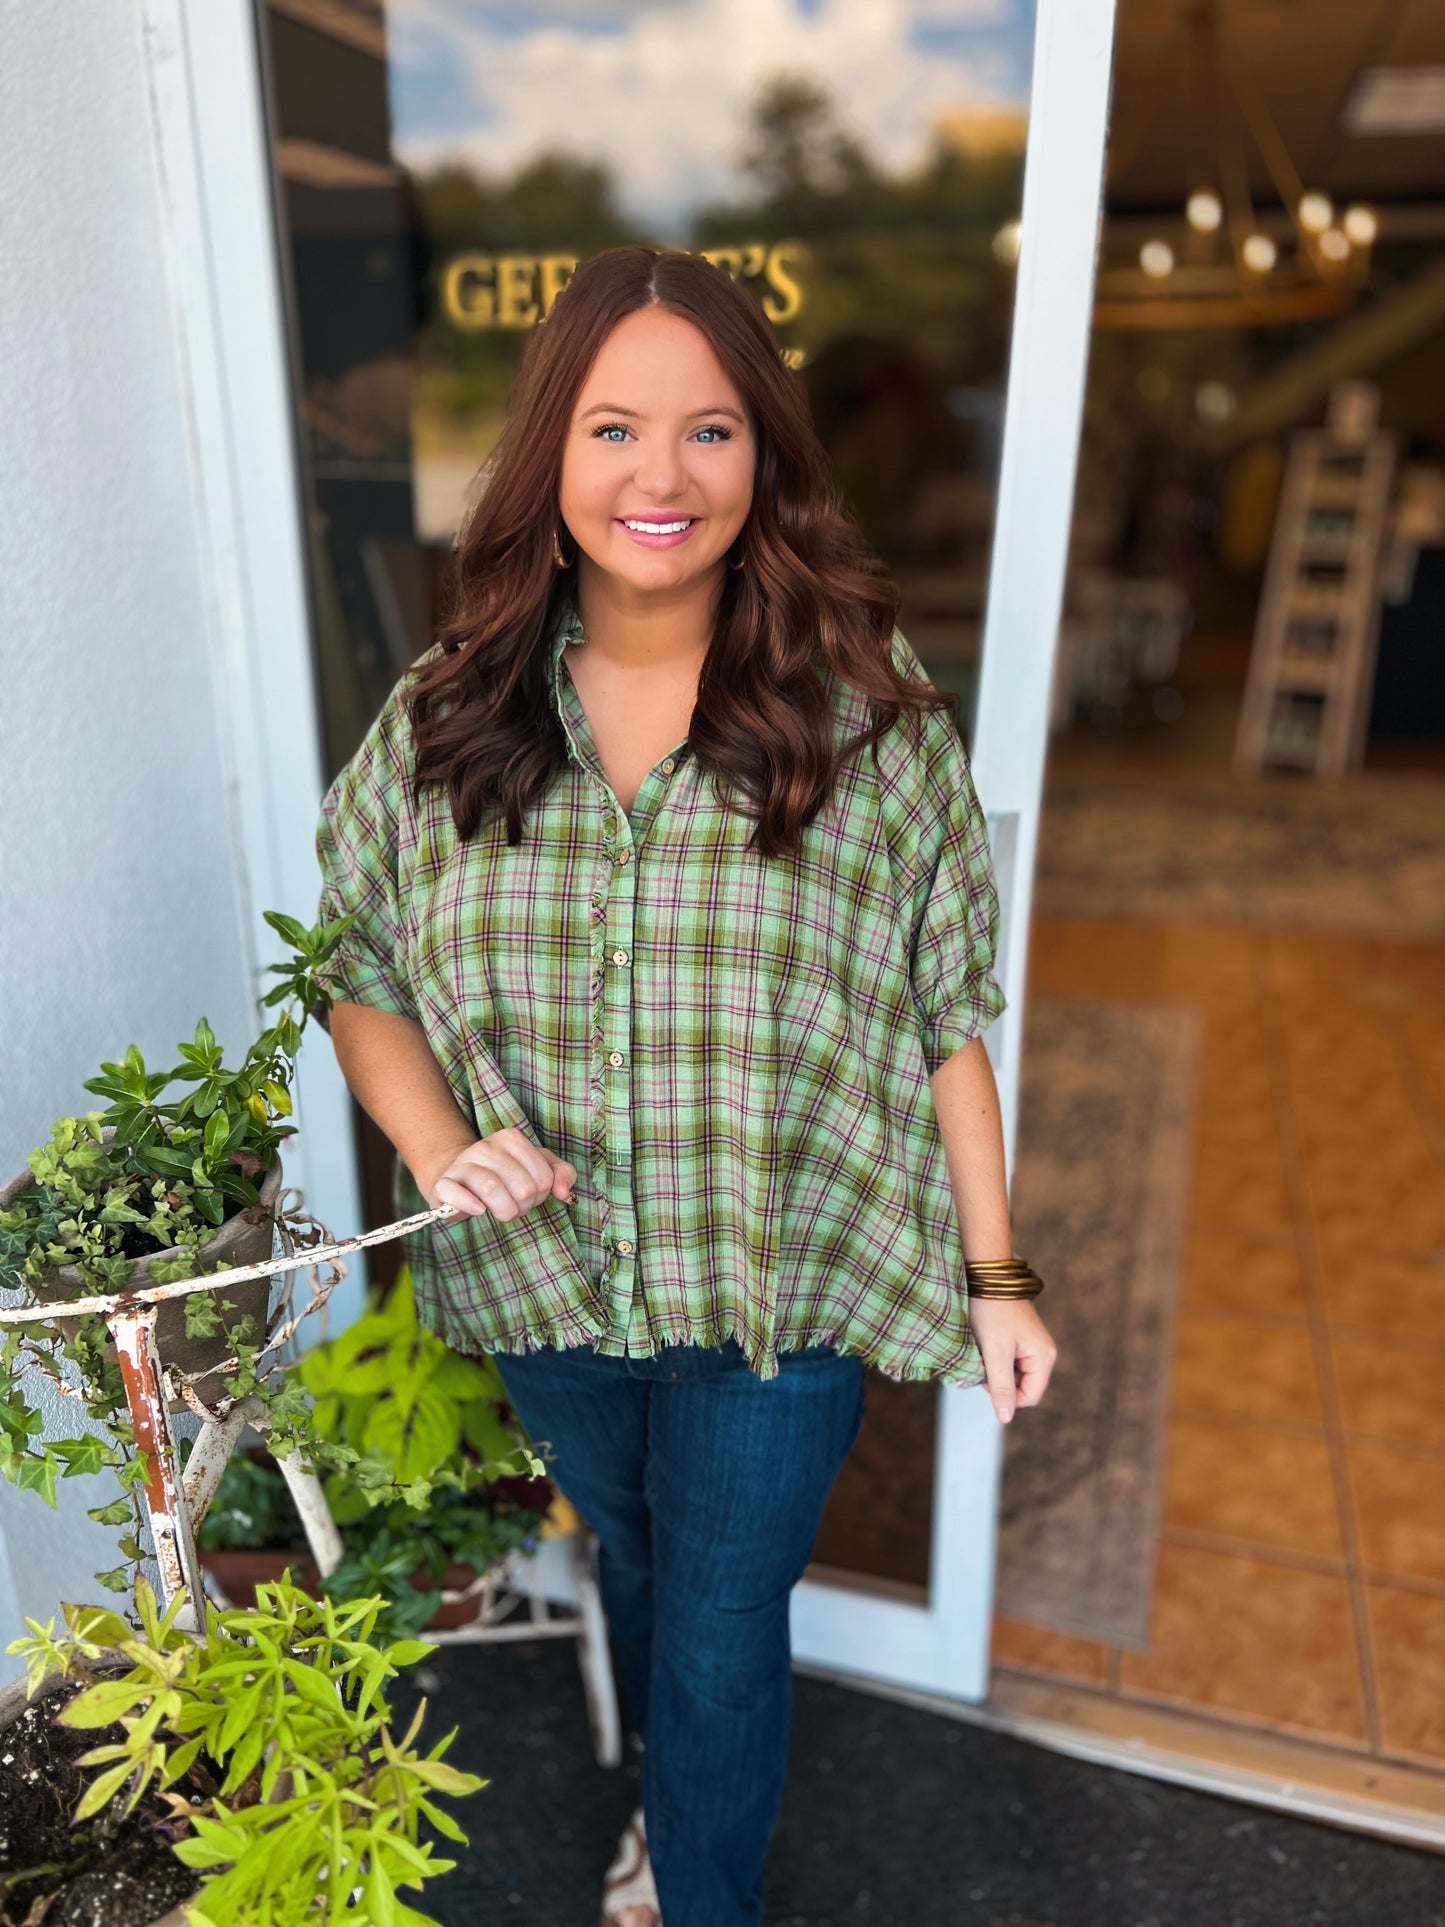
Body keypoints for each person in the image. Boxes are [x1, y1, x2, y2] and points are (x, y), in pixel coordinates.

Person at [315, 244, 1057, 1927]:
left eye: (710, 431)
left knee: (723, 1619)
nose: (662, 477)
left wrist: (995, 1271)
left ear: (765, 458)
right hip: (551, 1283)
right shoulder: (449, 716)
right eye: (613, 429)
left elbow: (945, 1011)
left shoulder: (865, 720)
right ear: (548, 461)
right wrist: (441, 1147)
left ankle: (696, 1887)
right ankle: (664, 1806)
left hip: (778, 1289)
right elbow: (356, 964)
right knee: (639, 1557)